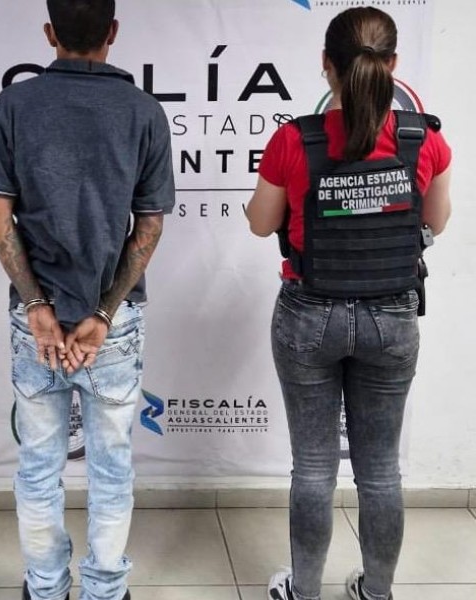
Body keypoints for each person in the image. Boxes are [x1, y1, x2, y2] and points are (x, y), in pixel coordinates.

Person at [246, 7, 451, 600]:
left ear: (326, 65)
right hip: (392, 317)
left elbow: (261, 224)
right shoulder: (425, 139)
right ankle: (376, 592)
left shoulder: (293, 140)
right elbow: (436, 222)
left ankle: (304, 592)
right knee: (380, 468)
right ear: (393, 64)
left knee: (313, 467)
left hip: (309, 315)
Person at [0, 1, 175, 598]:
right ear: (113, 31)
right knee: (111, 470)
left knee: (39, 468)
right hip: (111, 323)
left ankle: (44, 589)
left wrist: (38, 306)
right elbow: (148, 227)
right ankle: (105, 592)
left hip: (35, 321)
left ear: (49, 33)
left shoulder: (14, 105)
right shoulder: (144, 111)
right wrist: (104, 313)